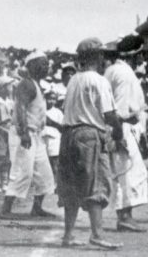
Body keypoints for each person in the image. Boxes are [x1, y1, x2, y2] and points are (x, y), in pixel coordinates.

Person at [58, 37, 123, 250]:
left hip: (68, 134)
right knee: (96, 182)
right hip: (88, 134)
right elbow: (109, 113)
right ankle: (96, 234)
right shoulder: (99, 80)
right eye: (101, 53)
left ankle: (68, 235)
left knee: (70, 186)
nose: (104, 57)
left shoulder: (74, 80)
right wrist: (118, 131)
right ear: (95, 56)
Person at [1, 51, 57, 218]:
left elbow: (38, 113)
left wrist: (59, 125)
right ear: (32, 66)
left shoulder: (37, 85)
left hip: (36, 134)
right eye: (42, 64)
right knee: (22, 171)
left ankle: (37, 208)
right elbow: (21, 109)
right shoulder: (26, 84)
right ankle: (5, 209)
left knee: (44, 173)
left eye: (47, 64)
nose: (46, 67)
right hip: (24, 133)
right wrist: (24, 132)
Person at [104, 44, 148, 232]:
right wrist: (119, 134)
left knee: (127, 173)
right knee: (127, 173)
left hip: (122, 126)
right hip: (122, 128)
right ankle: (125, 217)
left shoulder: (113, 70)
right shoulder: (123, 73)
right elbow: (120, 108)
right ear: (134, 55)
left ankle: (125, 215)